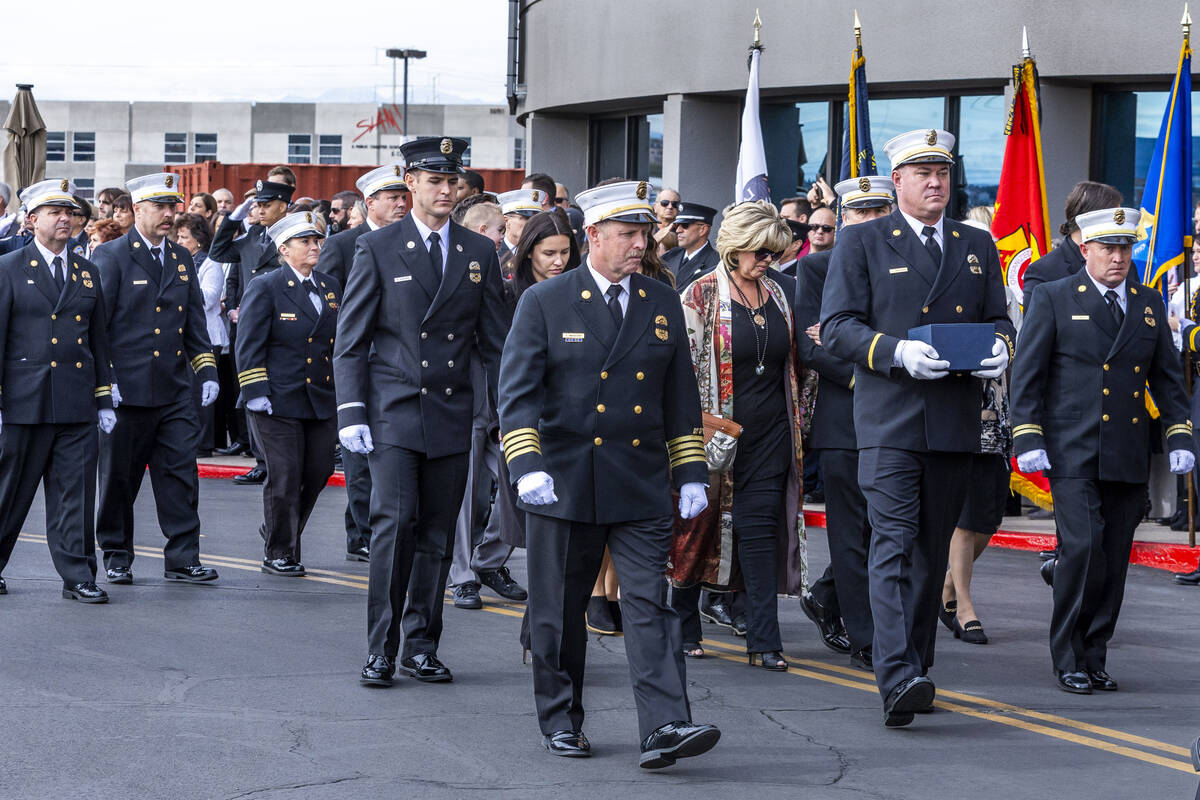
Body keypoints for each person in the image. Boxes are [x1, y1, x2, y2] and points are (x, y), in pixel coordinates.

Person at [498, 179, 720, 767]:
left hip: (638, 477)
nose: (638, 244)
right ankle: (561, 719)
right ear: (591, 235)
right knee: (561, 607)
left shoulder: (659, 299)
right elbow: (517, 394)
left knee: (650, 602)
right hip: (565, 478)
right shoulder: (545, 301)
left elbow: (678, 395)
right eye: (626, 233)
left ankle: (667, 725)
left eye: (644, 233)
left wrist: (690, 471)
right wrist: (526, 464)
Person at [821, 129, 1015, 726]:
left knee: (931, 554)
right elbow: (836, 328)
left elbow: (999, 319)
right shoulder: (862, 241)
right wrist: (895, 352)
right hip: (891, 420)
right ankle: (896, 674)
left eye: (944, 172)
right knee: (893, 544)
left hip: (953, 422)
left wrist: (1002, 348)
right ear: (897, 180)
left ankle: (917, 666)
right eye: (923, 172)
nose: (936, 182)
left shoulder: (975, 242)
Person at [335, 136, 507, 687]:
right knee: (394, 526)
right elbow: (352, 338)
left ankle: (421, 645)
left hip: (453, 414)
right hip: (394, 410)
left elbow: (496, 344)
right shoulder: (380, 247)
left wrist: (512, 412)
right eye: (434, 180)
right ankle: (381, 647)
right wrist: (352, 410)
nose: (445, 189)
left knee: (435, 534)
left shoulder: (477, 253)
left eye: (452, 180)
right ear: (410, 183)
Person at [1013, 206, 1194, 693]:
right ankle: (1068, 653)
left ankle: (1095, 651)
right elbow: (1027, 374)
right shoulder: (1053, 296)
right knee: (1085, 547)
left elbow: (1168, 381)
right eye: (1108, 247)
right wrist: (1026, 434)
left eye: (1125, 247)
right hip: (1071, 448)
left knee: (1113, 556)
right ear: (1085, 248)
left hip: (1125, 449)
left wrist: (1180, 433)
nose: (1118, 257)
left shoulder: (1148, 302)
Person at [669, 200, 807, 670]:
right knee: (695, 533)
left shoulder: (781, 294)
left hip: (771, 434)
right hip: (712, 436)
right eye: (760, 252)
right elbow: (679, 369)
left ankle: (765, 641)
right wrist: (688, 432)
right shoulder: (700, 295)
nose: (767, 261)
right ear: (735, 248)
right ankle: (683, 623)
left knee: (760, 533)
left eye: (774, 253)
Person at [92, 173, 220, 586]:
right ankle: (116, 554)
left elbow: (194, 323)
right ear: (137, 211)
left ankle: (183, 557)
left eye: (173, 207)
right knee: (118, 478)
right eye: (160, 208)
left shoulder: (181, 259)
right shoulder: (111, 256)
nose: (169, 215)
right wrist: (104, 380)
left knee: (181, 475)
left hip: (173, 388)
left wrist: (207, 372)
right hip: (125, 391)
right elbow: (98, 326)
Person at [450, 209, 578, 609]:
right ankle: (463, 576)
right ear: (528, 255)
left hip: (551, 410)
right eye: (548, 253)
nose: (558, 262)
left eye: (564, 253)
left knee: (518, 497)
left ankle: (488, 560)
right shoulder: (505, 290)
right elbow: (488, 348)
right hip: (489, 403)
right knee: (471, 492)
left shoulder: (577, 292)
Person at [795, 175, 895, 670]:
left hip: (898, 418)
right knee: (852, 535)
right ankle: (867, 637)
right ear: (843, 219)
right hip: (845, 421)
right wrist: (873, 375)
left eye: (881, 211)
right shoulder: (816, 268)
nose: (871, 221)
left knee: (894, 531)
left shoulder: (905, 266)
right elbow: (813, 345)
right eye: (860, 213)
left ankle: (829, 597)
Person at [0, 179, 115, 603]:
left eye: (69, 212)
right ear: (31, 221)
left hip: (74, 399)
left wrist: (104, 397)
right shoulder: (8, 267)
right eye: (54, 212)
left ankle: (78, 575)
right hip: (22, 402)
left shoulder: (88, 271)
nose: (65, 218)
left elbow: (98, 339)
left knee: (75, 495)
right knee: (9, 492)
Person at [236, 212, 341, 577]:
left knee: (318, 471)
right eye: (305, 241)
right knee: (284, 474)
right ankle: (280, 550)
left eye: (316, 240)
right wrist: (254, 390)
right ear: (284, 249)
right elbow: (248, 342)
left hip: (319, 397)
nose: (314, 246)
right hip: (276, 398)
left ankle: (283, 528)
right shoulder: (266, 286)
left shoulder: (329, 287)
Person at [318, 163, 410, 563]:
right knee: (358, 455)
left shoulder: (409, 241)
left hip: (396, 362)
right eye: (393, 198)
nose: (401, 205)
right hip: (358, 358)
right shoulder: (343, 245)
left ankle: (378, 527)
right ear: (369, 203)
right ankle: (362, 534)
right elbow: (327, 302)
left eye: (404, 197)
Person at [210, 179, 295, 486]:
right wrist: (233, 219)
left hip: (284, 324)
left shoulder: (295, 235)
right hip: (250, 326)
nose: (259, 210)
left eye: (265, 204)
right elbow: (219, 252)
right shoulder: (253, 235)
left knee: (278, 389)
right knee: (250, 386)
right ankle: (261, 460)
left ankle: (277, 460)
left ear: (283, 206)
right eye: (257, 204)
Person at [1022, 181, 1122, 307]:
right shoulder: (1044, 271)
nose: (1119, 227)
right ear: (1087, 219)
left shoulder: (1123, 264)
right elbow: (1036, 324)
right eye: (1111, 220)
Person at [171, 213, 217, 455]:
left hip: (208, 336)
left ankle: (204, 443)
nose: (179, 241)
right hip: (185, 336)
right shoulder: (178, 262)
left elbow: (208, 299)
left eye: (184, 237)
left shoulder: (211, 263)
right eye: (177, 236)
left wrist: (183, 291)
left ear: (198, 240)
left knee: (203, 393)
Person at [661, 202, 718, 289]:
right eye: (677, 225)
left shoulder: (716, 262)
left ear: (702, 229)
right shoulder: (671, 255)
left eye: (685, 225)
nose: (678, 230)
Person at [497, 189, 546, 274]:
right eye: (527, 218)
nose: (534, 223)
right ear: (507, 221)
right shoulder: (495, 255)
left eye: (537, 219)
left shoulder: (542, 254)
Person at [654, 187, 681, 254]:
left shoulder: (683, 233)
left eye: (674, 204)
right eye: (665, 203)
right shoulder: (646, 231)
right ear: (655, 207)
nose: (670, 207)